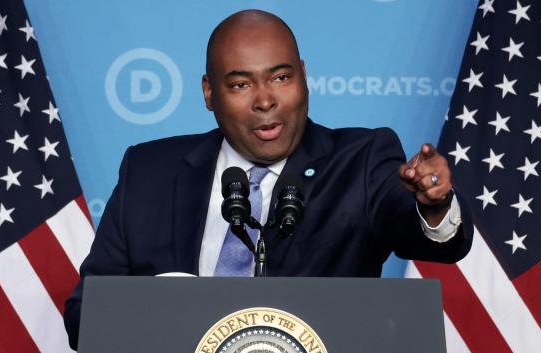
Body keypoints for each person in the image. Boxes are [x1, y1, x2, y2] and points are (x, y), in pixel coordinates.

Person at [63, 9, 472, 349]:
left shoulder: (361, 161)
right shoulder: (150, 171)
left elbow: (423, 232)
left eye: (280, 77)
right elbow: (86, 317)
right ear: (209, 93)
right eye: (241, 84)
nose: (264, 100)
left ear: (303, 76)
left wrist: (433, 206)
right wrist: (166, 311)